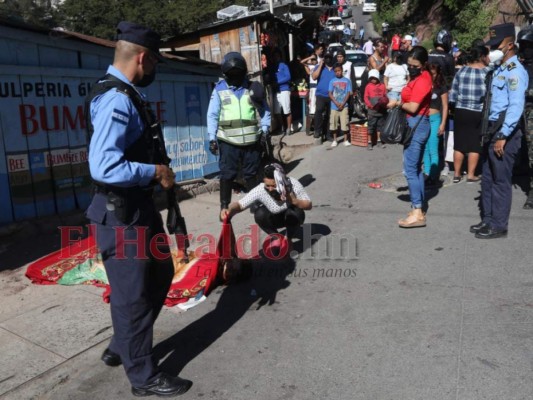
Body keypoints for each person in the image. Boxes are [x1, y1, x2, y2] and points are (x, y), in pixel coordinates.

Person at [84, 21, 193, 396]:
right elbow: (104, 165)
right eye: (156, 63)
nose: (155, 70)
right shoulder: (116, 98)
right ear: (143, 58)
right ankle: (143, 377)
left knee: (160, 274)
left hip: (137, 211)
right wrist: (155, 170)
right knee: (132, 295)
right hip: (121, 216)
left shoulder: (126, 93)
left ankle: (123, 344)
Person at [470, 23, 528, 239]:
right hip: (491, 129)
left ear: (510, 44)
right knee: (487, 178)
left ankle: (498, 225)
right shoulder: (499, 69)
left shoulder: (515, 71)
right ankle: (487, 219)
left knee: (500, 180)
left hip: (504, 132)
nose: (493, 48)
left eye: (497, 44)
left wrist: (503, 135)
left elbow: (515, 106)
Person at [207, 52, 271, 218]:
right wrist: (212, 138)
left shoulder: (253, 88)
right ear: (226, 75)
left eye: (238, 74)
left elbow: (265, 111)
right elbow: (212, 115)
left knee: (251, 174)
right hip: (228, 142)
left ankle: (255, 204)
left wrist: (265, 130)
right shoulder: (219, 89)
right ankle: (224, 206)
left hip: (251, 141)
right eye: (231, 75)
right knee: (227, 174)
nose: (235, 78)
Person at [387, 46, 432, 228]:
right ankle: (418, 206)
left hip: (417, 126)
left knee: (410, 169)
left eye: (415, 65)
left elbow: (413, 107)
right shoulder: (419, 77)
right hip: (416, 125)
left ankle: (417, 212)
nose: (411, 68)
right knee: (416, 169)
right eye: (409, 65)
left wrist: (397, 102)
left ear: (423, 64)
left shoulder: (423, 80)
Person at [221, 163, 312, 245]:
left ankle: (288, 239)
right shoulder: (261, 190)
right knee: (259, 213)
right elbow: (240, 204)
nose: (270, 189)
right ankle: (277, 238)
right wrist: (229, 209)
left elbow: (308, 205)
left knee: (297, 212)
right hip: (274, 218)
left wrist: (294, 201)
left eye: (274, 186)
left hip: (290, 217)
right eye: (267, 186)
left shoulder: (292, 184)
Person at [448, 46, 490, 183]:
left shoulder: (462, 71)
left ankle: (457, 174)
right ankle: (471, 175)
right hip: (478, 112)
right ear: (483, 56)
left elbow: (453, 94)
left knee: (459, 143)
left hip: (461, 111)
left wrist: (453, 107)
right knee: (474, 144)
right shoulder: (487, 73)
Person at [423, 63, 449, 186]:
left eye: (433, 73)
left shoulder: (441, 86)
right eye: (429, 72)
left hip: (435, 119)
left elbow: (445, 105)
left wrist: (443, 123)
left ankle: (433, 176)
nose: (431, 75)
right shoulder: (423, 84)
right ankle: (426, 174)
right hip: (423, 119)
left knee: (433, 149)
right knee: (425, 148)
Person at [517, 25, 533, 209]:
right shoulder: (518, 66)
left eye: (529, 45)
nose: (525, 50)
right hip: (518, 112)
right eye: (523, 45)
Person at [312, 52, 337, 143]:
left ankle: (328, 134)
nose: (328, 60)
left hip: (331, 96)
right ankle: (317, 131)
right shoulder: (319, 67)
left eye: (330, 58)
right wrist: (320, 65)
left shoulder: (335, 69)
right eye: (326, 58)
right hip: (320, 95)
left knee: (330, 115)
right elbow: (314, 77)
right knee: (318, 111)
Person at [328, 63, 353, 147]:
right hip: (334, 106)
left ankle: (345, 140)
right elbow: (330, 93)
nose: (337, 72)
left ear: (342, 70)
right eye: (335, 71)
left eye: (339, 70)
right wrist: (336, 103)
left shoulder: (347, 81)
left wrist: (343, 103)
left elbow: (348, 93)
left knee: (345, 123)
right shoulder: (332, 81)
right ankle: (335, 140)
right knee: (333, 123)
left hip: (344, 106)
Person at [364, 69, 388, 149]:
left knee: (380, 126)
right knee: (371, 126)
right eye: (371, 78)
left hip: (381, 110)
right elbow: (366, 97)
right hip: (372, 111)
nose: (373, 80)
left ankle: (379, 141)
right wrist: (370, 105)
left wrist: (384, 102)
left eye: (375, 78)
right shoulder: (368, 86)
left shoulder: (382, 86)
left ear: (378, 78)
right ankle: (369, 142)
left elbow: (385, 96)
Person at [270, 48, 293, 135]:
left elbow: (288, 77)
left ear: (280, 56)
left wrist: (277, 82)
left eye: (277, 56)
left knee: (287, 110)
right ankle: (282, 127)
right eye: (274, 56)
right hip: (276, 91)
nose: (276, 58)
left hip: (284, 90)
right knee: (277, 112)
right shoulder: (272, 67)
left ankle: (289, 128)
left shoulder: (284, 66)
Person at [301, 54, 319, 135]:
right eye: (313, 59)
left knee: (316, 108)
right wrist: (310, 57)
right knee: (311, 108)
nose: (313, 61)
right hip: (312, 88)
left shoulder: (318, 66)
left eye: (315, 59)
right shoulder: (311, 67)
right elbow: (302, 62)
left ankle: (316, 126)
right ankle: (313, 126)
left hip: (317, 87)